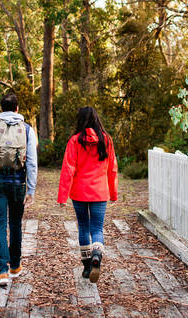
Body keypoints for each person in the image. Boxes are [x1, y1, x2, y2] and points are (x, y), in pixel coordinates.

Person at [0, 93, 38, 287]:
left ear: (1, 109)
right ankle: (15, 266)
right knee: (16, 224)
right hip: (17, 185)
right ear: (17, 109)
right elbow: (32, 162)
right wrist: (31, 189)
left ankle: (1, 271)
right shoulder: (27, 129)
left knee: (0, 224)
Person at [57, 106, 118, 284]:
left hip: (79, 192)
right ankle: (97, 254)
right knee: (97, 229)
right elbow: (112, 169)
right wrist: (113, 194)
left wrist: (62, 196)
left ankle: (86, 267)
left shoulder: (75, 141)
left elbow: (68, 169)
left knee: (83, 227)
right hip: (100, 192)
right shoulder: (106, 140)